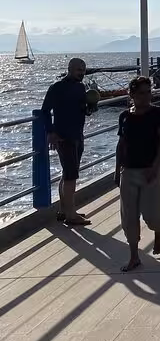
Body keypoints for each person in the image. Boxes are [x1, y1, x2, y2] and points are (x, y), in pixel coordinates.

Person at [114, 76, 160, 272]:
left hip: (150, 171)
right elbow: (121, 145)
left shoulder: (158, 114)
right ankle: (134, 257)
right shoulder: (124, 116)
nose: (146, 97)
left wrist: (155, 168)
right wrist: (116, 170)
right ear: (132, 95)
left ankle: (159, 229)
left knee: (152, 214)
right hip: (128, 171)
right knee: (129, 217)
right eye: (141, 93)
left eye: (149, 92)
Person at [41, 58, 92, 226]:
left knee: (68, 174)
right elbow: (45, 111)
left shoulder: (80, 87)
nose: (81, 72)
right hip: (63, 136)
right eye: (78, 69)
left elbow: (82, 109)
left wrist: (90, 107)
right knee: (71, 175)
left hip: (78, 134)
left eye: (83, 69)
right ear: (69, 69)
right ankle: (71, 214)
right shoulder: (57, 87)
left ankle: (64, 210)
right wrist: (50, 132)